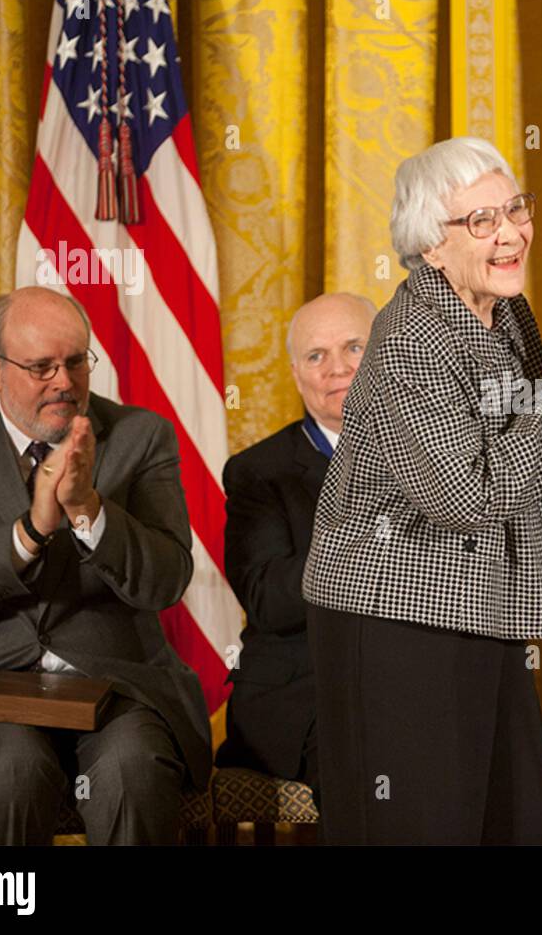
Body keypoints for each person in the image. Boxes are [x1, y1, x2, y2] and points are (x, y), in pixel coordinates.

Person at [302, 136, 542, 844]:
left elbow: (526, 455)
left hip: (483, 608)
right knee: (428, 825)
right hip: (397, 618)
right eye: (481, 221)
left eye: (514, 209)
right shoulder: (407, 340)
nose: (511, 233)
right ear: (431, 247)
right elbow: (465, 495)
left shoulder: (502, 312)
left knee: (515, 817)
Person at [0, 285, 210, 845]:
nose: (65, 382)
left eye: (76, 361)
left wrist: (89, 509)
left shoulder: (141, 435)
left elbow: (166, 581)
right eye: (41, 367)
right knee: (12, 772)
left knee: (130, 770)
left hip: (119, 684)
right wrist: (30, 533)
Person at [215, 292, 376, 793]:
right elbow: (268, 602)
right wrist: (364, 533)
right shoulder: (259, 473)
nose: (337, 369)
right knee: (365, 750)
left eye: (354, 348)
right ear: (296, 372)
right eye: (316, 356)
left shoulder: (435, 452)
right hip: (300, 690)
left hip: (416, 676)